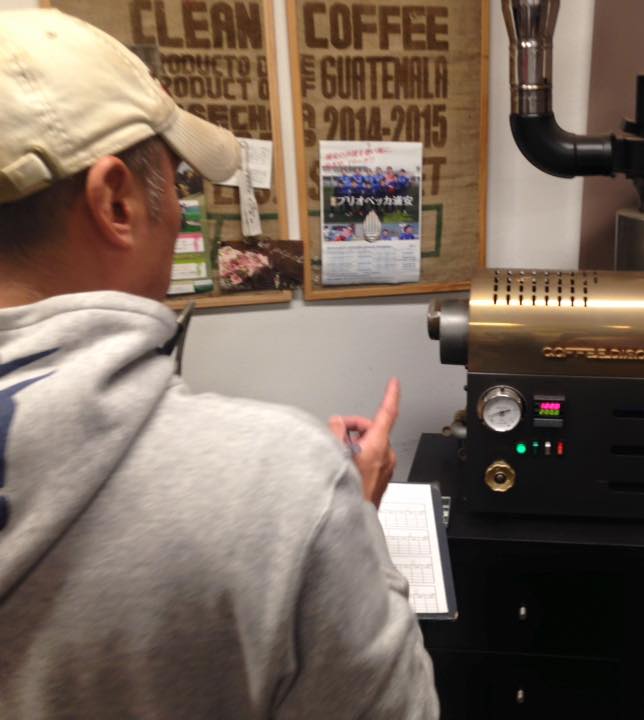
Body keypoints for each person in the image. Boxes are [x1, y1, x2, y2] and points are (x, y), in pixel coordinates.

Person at [0, 9, 437, 719]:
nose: (180, 212)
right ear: (116, 202)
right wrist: (348, 521)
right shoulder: (281, 485)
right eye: (176, 182)